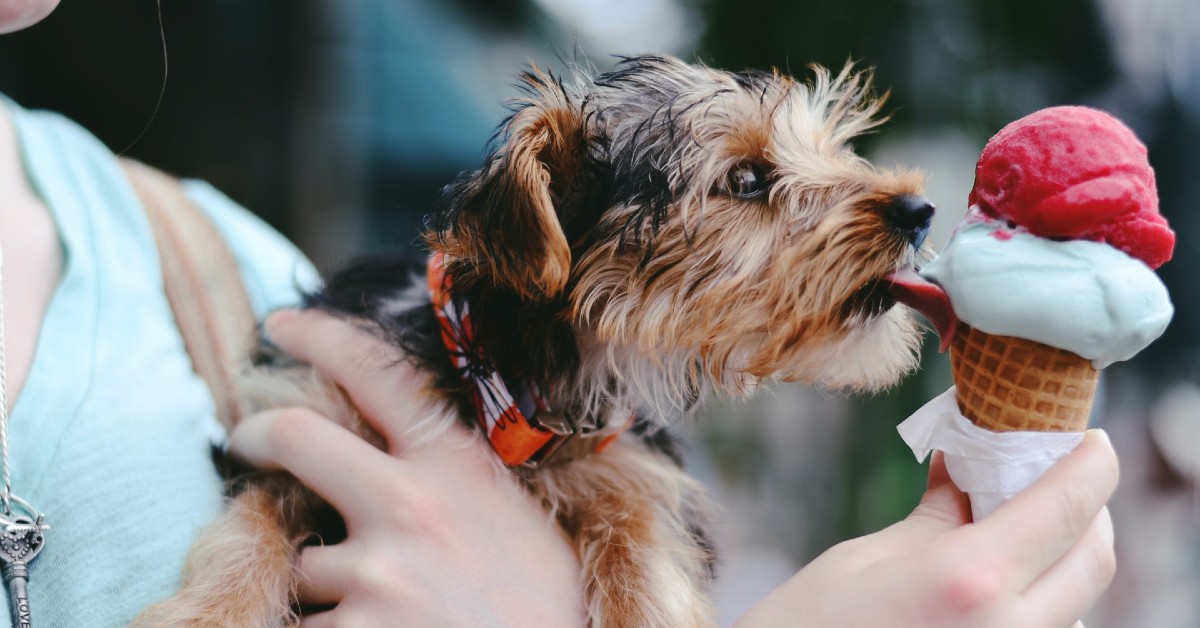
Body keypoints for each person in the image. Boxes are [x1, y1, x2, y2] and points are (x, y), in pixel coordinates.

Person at [0, 0, 1116, 625]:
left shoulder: (219, 270)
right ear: (551, 224)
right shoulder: (329, 341)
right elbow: (269, 493)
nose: (896, 201)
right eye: (746, 182)